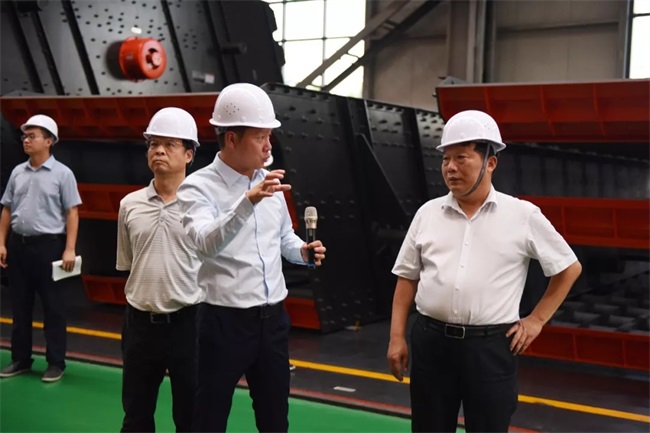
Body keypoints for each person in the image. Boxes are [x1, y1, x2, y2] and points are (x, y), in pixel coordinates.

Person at [386, 110, 582, 433]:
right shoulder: (428, 214)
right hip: (431, 344)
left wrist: (536, 320)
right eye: (446, 159)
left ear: (490, 162)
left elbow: (568, 267)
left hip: (490, 350)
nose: (450, 167)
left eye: (461, 158)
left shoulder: (522, 215)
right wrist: (396, 337)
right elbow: (407, 277)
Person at [176, 82, 326, 432]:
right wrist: (247, 202)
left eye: (269, 136)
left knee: (275, 419)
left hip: (272, 322)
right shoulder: (198, 187)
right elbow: (205, 244)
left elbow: (283, 238)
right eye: (260, 137)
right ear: (231, 138)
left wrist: (302, 252)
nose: (268, 146)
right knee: (209, 418)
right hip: (223, 322)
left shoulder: (269, 184)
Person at [116, 107, 203, 432]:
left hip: (189, 325)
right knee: (135, 416)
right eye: (153, 144)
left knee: (191, 417)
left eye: (169, 144)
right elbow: (128, 263)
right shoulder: (129, 205)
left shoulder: (203, 205)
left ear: (189, 154)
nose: (159, 151)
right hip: (139, 325)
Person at [0, 114, 82, 383]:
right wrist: (1, 243)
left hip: (49, 248)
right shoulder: (17, 172)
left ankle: (56, 362)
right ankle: (21, 358)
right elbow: (7, 208)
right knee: (19, 307)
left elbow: (72, 212)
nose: (26, 140)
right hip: (19, 246)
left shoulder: (63, 174)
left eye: (32, 136)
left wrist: (69, 249)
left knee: (53, 308)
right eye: (25, 136)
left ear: (49, 141)